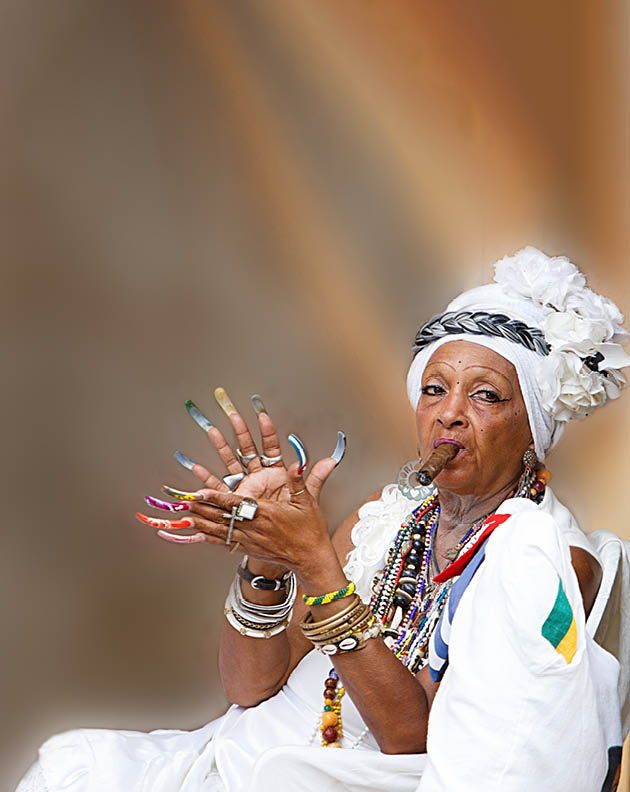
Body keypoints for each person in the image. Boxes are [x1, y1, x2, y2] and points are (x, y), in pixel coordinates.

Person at [17, 247, 630, 792]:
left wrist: (316, 563)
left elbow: (416, 743)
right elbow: (250, 690)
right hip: (252, 750)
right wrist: (268, 557)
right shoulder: (383, 518)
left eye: (486, 395)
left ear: (535, 430)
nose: (450, 415)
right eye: (434, 390)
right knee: (69, 767)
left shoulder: (541, 558)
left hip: (333, 775)